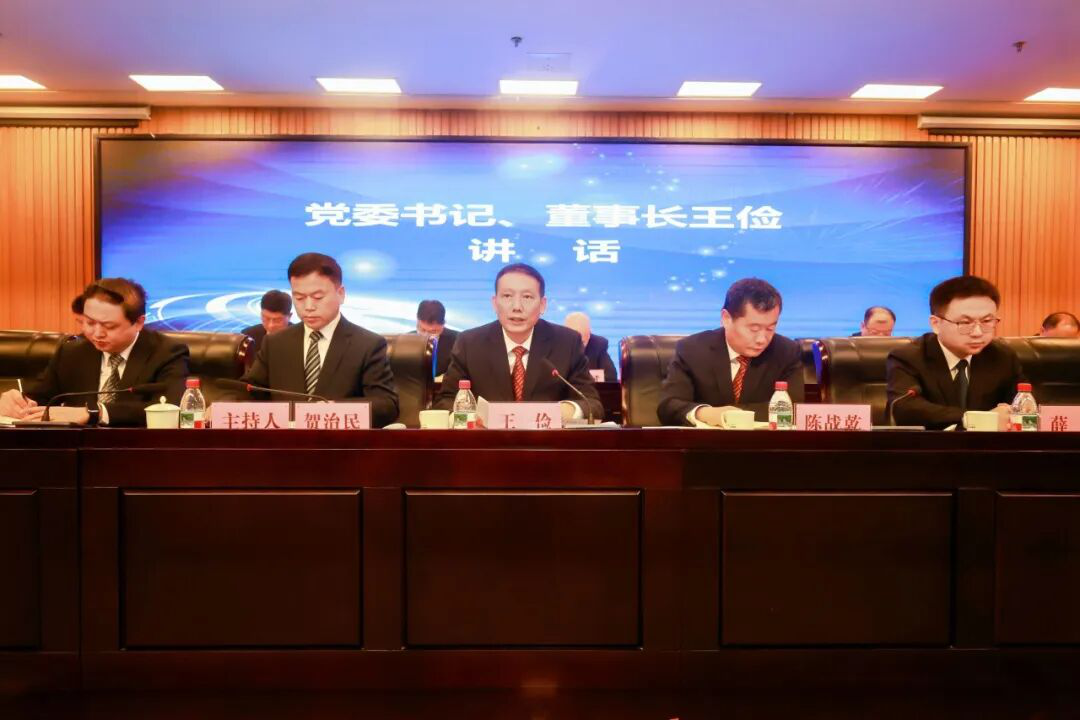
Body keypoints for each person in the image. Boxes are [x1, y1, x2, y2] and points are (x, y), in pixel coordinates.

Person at [239, 253, 399, 427]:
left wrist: (336, 410)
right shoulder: (275, 343)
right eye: (299, 298)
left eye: (317, 297)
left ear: (341, 294)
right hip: (284, 441)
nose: (308, 307)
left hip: (340, 441)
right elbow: (247, 391)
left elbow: (386, 405)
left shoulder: (368, 345)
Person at [0, 278, 189, 426]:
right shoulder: (72, 351)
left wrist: (94, 413)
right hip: (75, 451)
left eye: (109, 326)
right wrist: (17, 402)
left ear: (139, 322)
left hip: (138, 450)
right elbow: (41, 398)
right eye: (89, 323)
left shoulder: (166, 352)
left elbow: (171, 408)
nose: (96, 334)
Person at [433, 263, 603, 422]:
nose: (517, 307)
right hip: (487, 441)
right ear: (495, 303)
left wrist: (564, 411)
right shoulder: (469, 343)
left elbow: (592, 405)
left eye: (527, 297)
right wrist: (471, 419)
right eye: (507, 296)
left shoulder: (567, 342)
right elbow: (445, 402)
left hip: (547, 441)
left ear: (542, 305)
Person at [658, 278, 804, 426]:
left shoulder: (786, 352)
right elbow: (669, 406)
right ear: (726, 318)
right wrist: (705, 413)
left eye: (770, 328)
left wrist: (731, 415)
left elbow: (793, 409)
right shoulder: (692, 350)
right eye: (754, 329)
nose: (762, 339)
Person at [886, 275, 1023, 430]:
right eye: (965, 322)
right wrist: (976, 419)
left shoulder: (1002, 357)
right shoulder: (908, 357)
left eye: (986, 321)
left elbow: (1023, 403)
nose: (977, 332)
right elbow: (905, 408)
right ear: (936, 324)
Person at [563, 311, 618, 382]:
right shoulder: (557, 345)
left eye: (582, 342)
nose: (578, 346)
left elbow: (610, 378)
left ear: (589, 334)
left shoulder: (598, 344)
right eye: (573, 341)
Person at [413, 299, 459, 378]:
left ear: (443, 324)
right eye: (422, 330)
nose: (426, 336)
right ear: (417, 320)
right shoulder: (404, 340)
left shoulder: (459, 341)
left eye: (433, 332)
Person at [240, 290, 293, 354]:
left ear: (289, 316)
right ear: (261, 314)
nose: (271, 325)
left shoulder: (301, 338)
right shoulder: (248, 336)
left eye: (277, 320)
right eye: (266, 318)